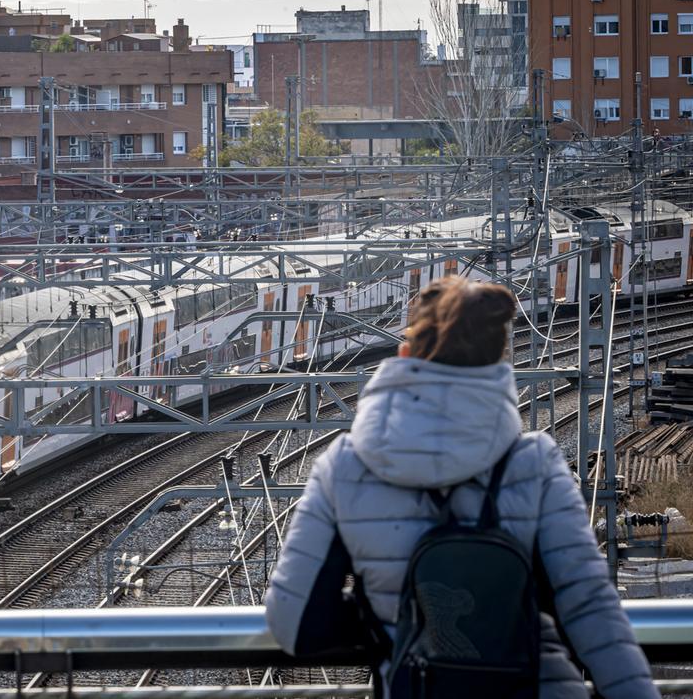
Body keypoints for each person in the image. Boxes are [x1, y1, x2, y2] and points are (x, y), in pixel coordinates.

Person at [264, 276, 657, 699]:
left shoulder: (345, 465)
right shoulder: (533, 463)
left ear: (404, 354)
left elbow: (294, 624)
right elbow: (592, 610)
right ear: (499, 363)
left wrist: (388, 618)